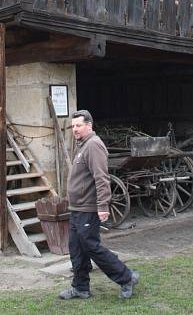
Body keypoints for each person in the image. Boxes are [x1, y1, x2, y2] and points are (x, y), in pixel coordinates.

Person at [59, 110, 140, 301]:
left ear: (89, 125)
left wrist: (103, 205)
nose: (75, 129)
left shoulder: (94, 145)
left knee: (92, 247)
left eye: (78, 125)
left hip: (88, 209)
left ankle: (126, 277)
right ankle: (80, 288)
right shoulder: (82, 145)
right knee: (76, 248)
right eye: (73, 126)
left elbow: (101, 178)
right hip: (77, 209)